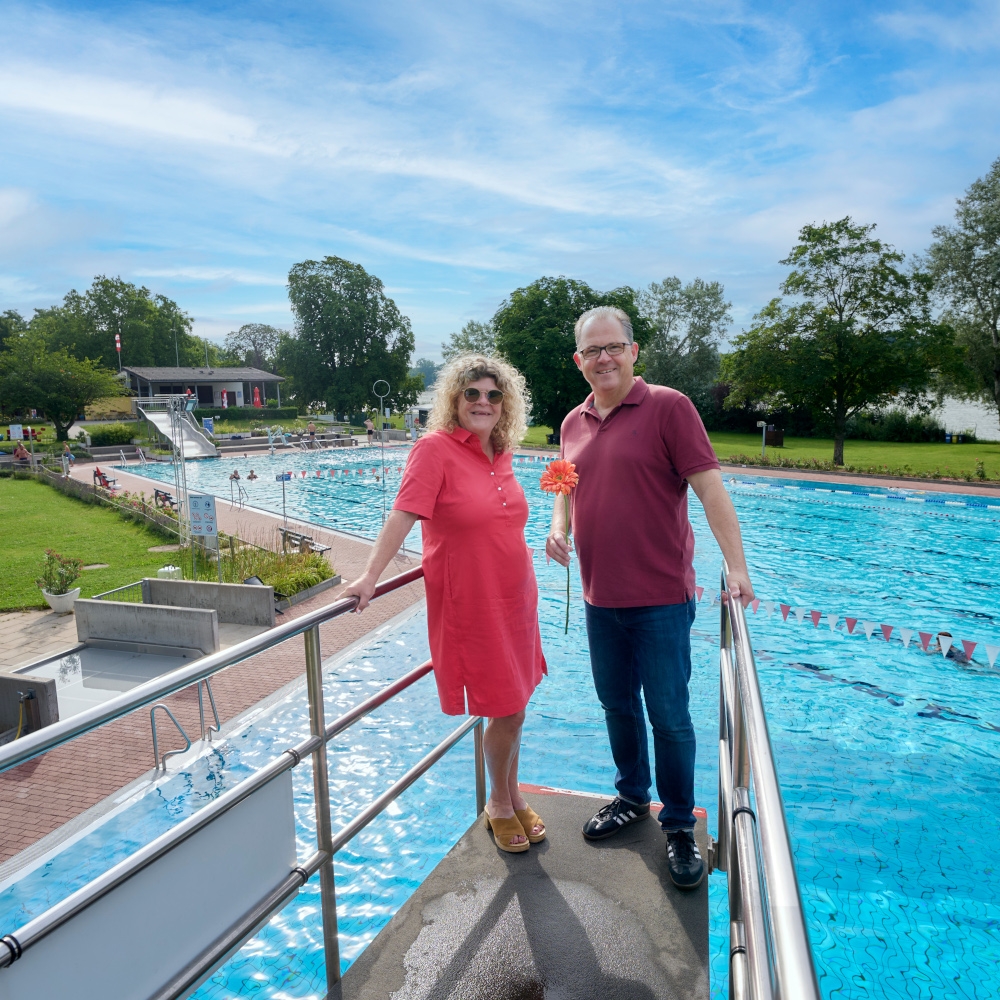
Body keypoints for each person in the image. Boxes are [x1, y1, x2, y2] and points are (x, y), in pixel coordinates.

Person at [546, 306, 754, 891]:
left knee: (669, 715)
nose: (604, 358)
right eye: (593, 351)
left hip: (661, 597)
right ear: (579, 361)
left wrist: (735, 568)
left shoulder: (669, 407)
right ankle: (631, 797)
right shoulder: (572, 422)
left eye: (614, 347)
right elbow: (564, 483)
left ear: (634, 352)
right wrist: (559, 525)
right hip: (598, 597)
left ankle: (680, 824)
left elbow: (710, 488)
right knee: (616, 704)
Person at [344, 354, 547, 853]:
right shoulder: (433, 449)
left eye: (493, 395)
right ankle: (498, 804)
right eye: (472, 393)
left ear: (505, 404)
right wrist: (371, 575)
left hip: (516, 598)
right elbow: (403, 515)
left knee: (515, 704)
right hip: (472, 603)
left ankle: (512, 794)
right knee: (506, 706)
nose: (483, 402)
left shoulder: (501, 451)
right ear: (454, 400)